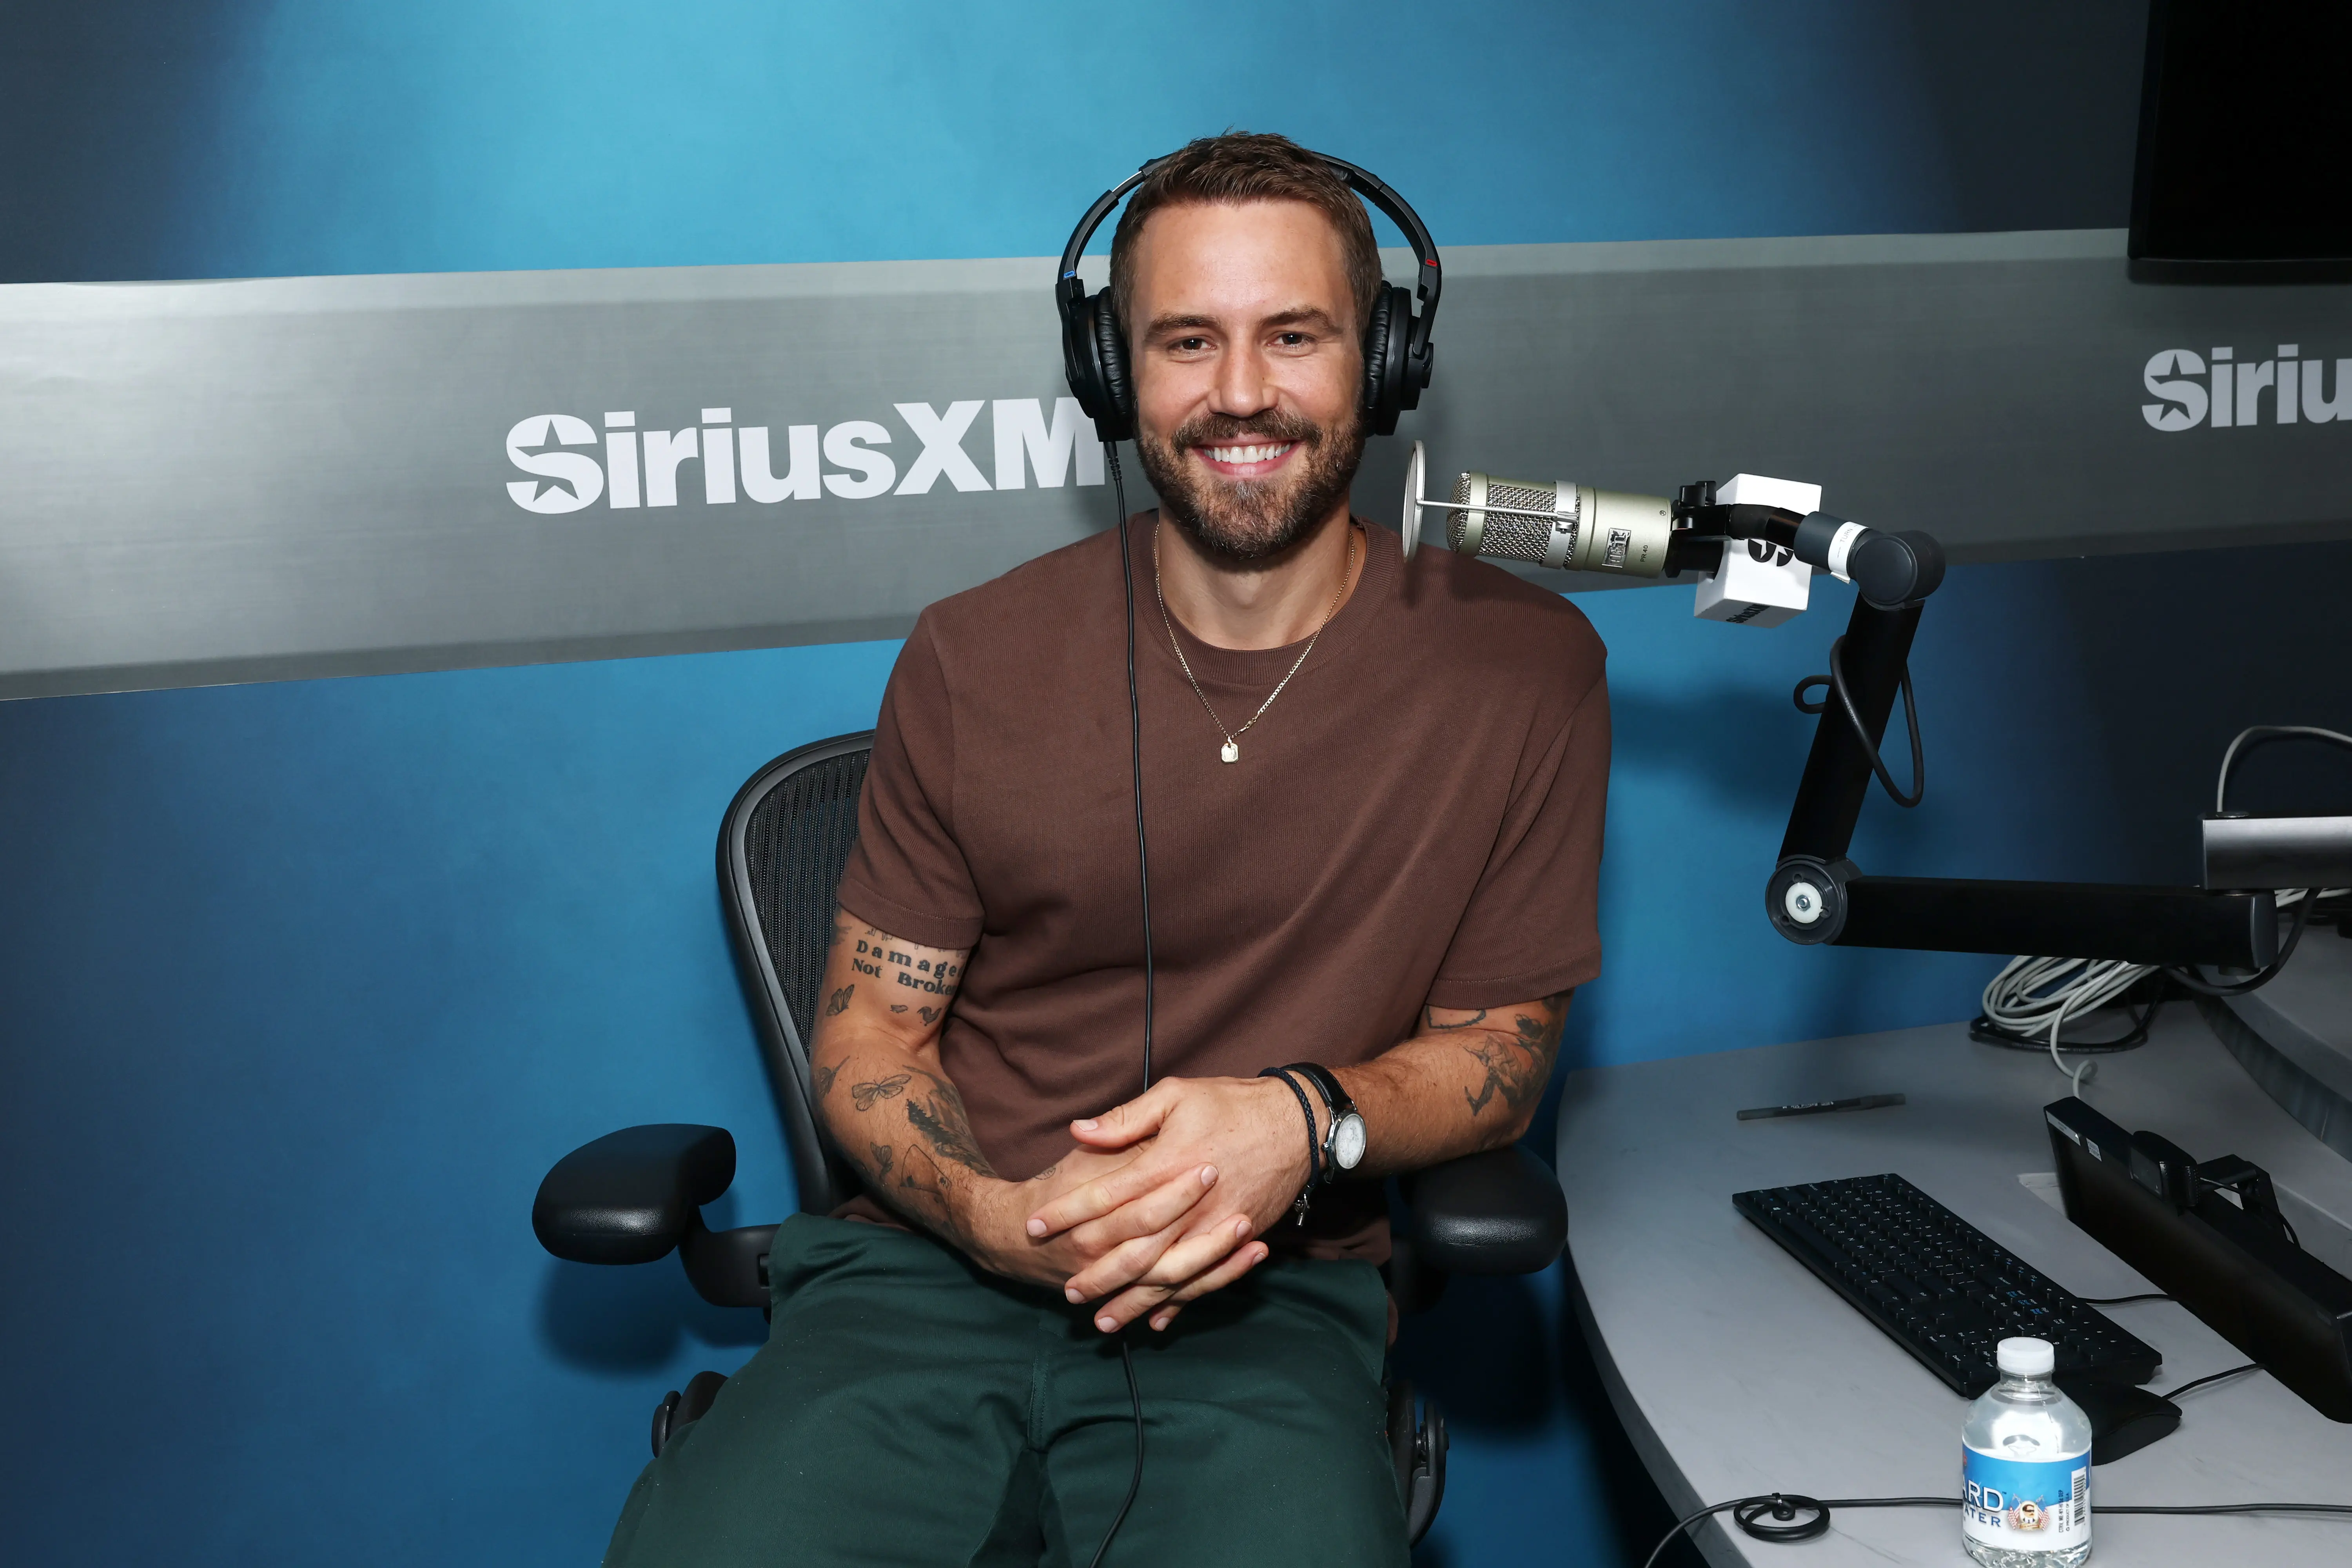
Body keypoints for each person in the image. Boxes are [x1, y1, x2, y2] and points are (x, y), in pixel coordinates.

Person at [603, 131, 1610, 1568]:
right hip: (923, 1287)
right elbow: (873, 1037)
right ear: (1110, 373)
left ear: (1384, 362)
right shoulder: (976, 655)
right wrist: (996, 1218)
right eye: (1187, 341)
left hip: (1269, 1304)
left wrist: (1299, 1120)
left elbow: (1501, 1051)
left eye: (1296, 336)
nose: (1243, 393)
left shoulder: (1523, 672)